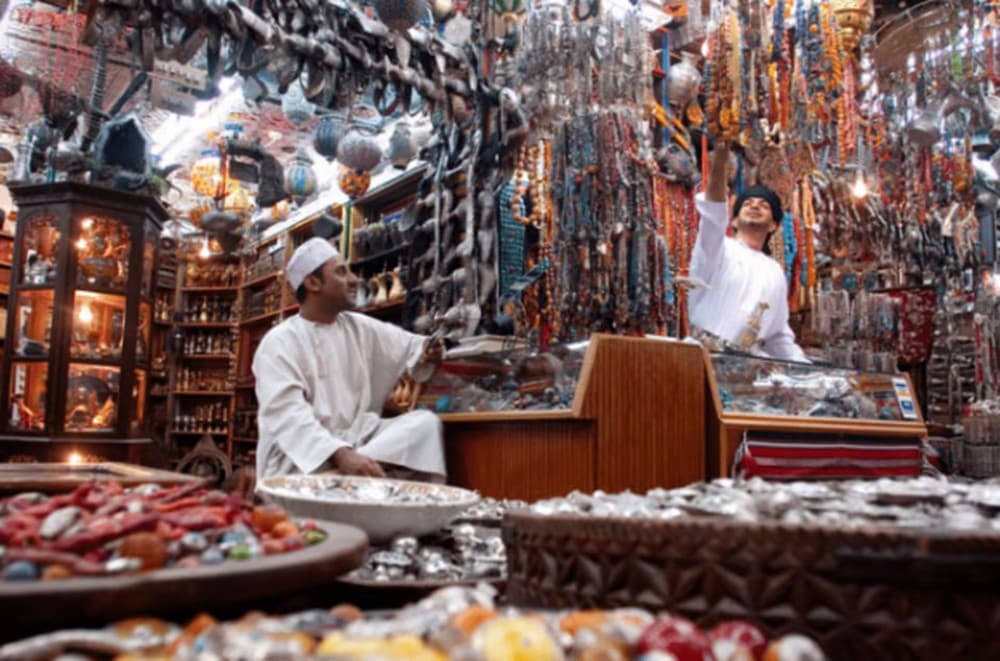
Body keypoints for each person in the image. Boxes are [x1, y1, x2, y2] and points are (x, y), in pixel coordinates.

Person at [253, 237, 446, 481]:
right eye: (342, 272)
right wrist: (339, 454)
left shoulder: (358, 327)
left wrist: (428, 350)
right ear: (313, 283)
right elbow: (286, 414)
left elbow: (411, 347)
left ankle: (346, 481)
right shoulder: (279, 342)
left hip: (358, 438)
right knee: (313, 467)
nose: (355, 280)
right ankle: (345, 478)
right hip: (302, 456)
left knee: (424, 425)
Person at [688, 141, 808, 362]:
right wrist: (722, 150)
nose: (754, 205)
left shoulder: (774, 271)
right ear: (733, 221)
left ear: (773, 225)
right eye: (748, 203)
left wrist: (810, 372)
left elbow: (778, 337)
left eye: (763, 205)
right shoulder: (718, 248)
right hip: (700, 361)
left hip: (745, 372)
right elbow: (713, 212)